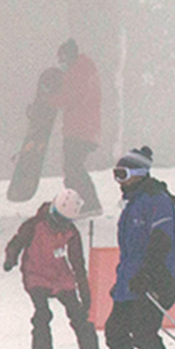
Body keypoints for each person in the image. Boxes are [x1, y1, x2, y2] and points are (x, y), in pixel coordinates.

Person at [91, 147, 175, 349]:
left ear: (138, 173)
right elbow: (130, 250)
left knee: (144, 331)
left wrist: (147, 274)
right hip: (130, 284)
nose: (119, 181)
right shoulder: (132, 203)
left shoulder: (157, 200)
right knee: (115, 330)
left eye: (122, 174)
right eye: (116, 175)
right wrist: (122, 280)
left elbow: (161, 240)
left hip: (156, 281)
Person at [3, 188, 109, 349]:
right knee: (42, 314)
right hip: (36, 274)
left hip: (61, 276)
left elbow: (77, 263)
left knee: (79, 315)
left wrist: (84, 292)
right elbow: (17, 242)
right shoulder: (34, 225)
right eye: (57, 219)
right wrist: (11, 258)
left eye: (64, 222)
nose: (59, 225)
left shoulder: (70, 232)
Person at [52, 39, 103, 216]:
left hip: (79, 129)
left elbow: (70, 97)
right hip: (84, 128)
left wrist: (49, 100)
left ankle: (89, 203)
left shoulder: (79, 72)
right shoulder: (84, 70)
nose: (61, 63)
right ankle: (78, 204)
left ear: (69, 56)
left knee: (73, 168)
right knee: (72, 168)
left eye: (62, 58)